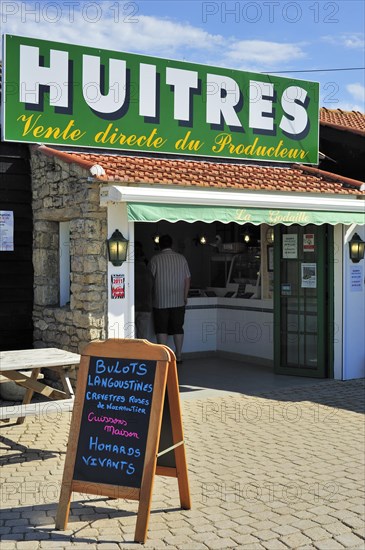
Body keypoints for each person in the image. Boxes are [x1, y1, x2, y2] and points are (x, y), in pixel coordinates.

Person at [148, 234, 191, 363]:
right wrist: (185, 296)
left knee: (161, 329)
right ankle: (178, 356)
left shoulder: (155, 259)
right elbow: (187, 278)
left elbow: (150, 280)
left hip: (160, 301)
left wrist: (151, 297)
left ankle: (164, 358)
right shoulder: (181, 258)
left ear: (159, 245)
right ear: (171, 244)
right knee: (178, 328)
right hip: (178, 300)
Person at [134, 241, 154, 339]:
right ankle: (141, 354)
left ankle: (131, 354)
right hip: (146, 307)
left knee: (129, 337)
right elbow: (153, 288)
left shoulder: (130, 270)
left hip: (133, 306)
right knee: (143, 338)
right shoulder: (148, 272)